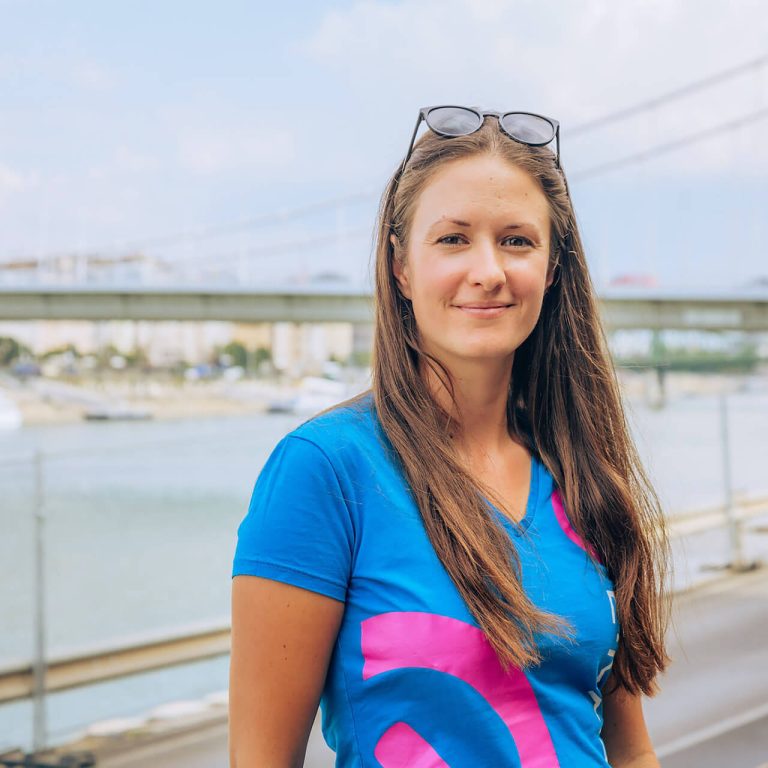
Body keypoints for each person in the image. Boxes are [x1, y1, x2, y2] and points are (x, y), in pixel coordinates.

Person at [229, 106, 672, 767]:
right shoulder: (325, 472)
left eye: (518, 241)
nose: (489, 270)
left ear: (552, 272)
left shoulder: (583, 477)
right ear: (402, 268)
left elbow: (629, 751)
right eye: (453, 239)